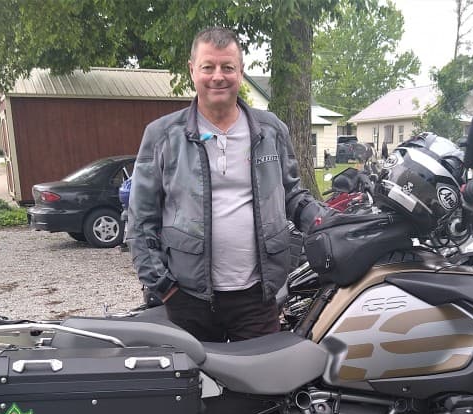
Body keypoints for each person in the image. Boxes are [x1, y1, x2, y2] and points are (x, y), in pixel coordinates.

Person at [126, 26, 327, 342]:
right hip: (187, 300)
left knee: (264, 386)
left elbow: (292, 195)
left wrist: (329, 223)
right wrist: (163, 288)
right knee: (196, 388)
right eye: (208, 67)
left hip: (258, 297)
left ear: (241, 72)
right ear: (193, 70)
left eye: (227, 67)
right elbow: (140, 220)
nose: (217, 76)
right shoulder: (163, 136)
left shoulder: (271, 130)